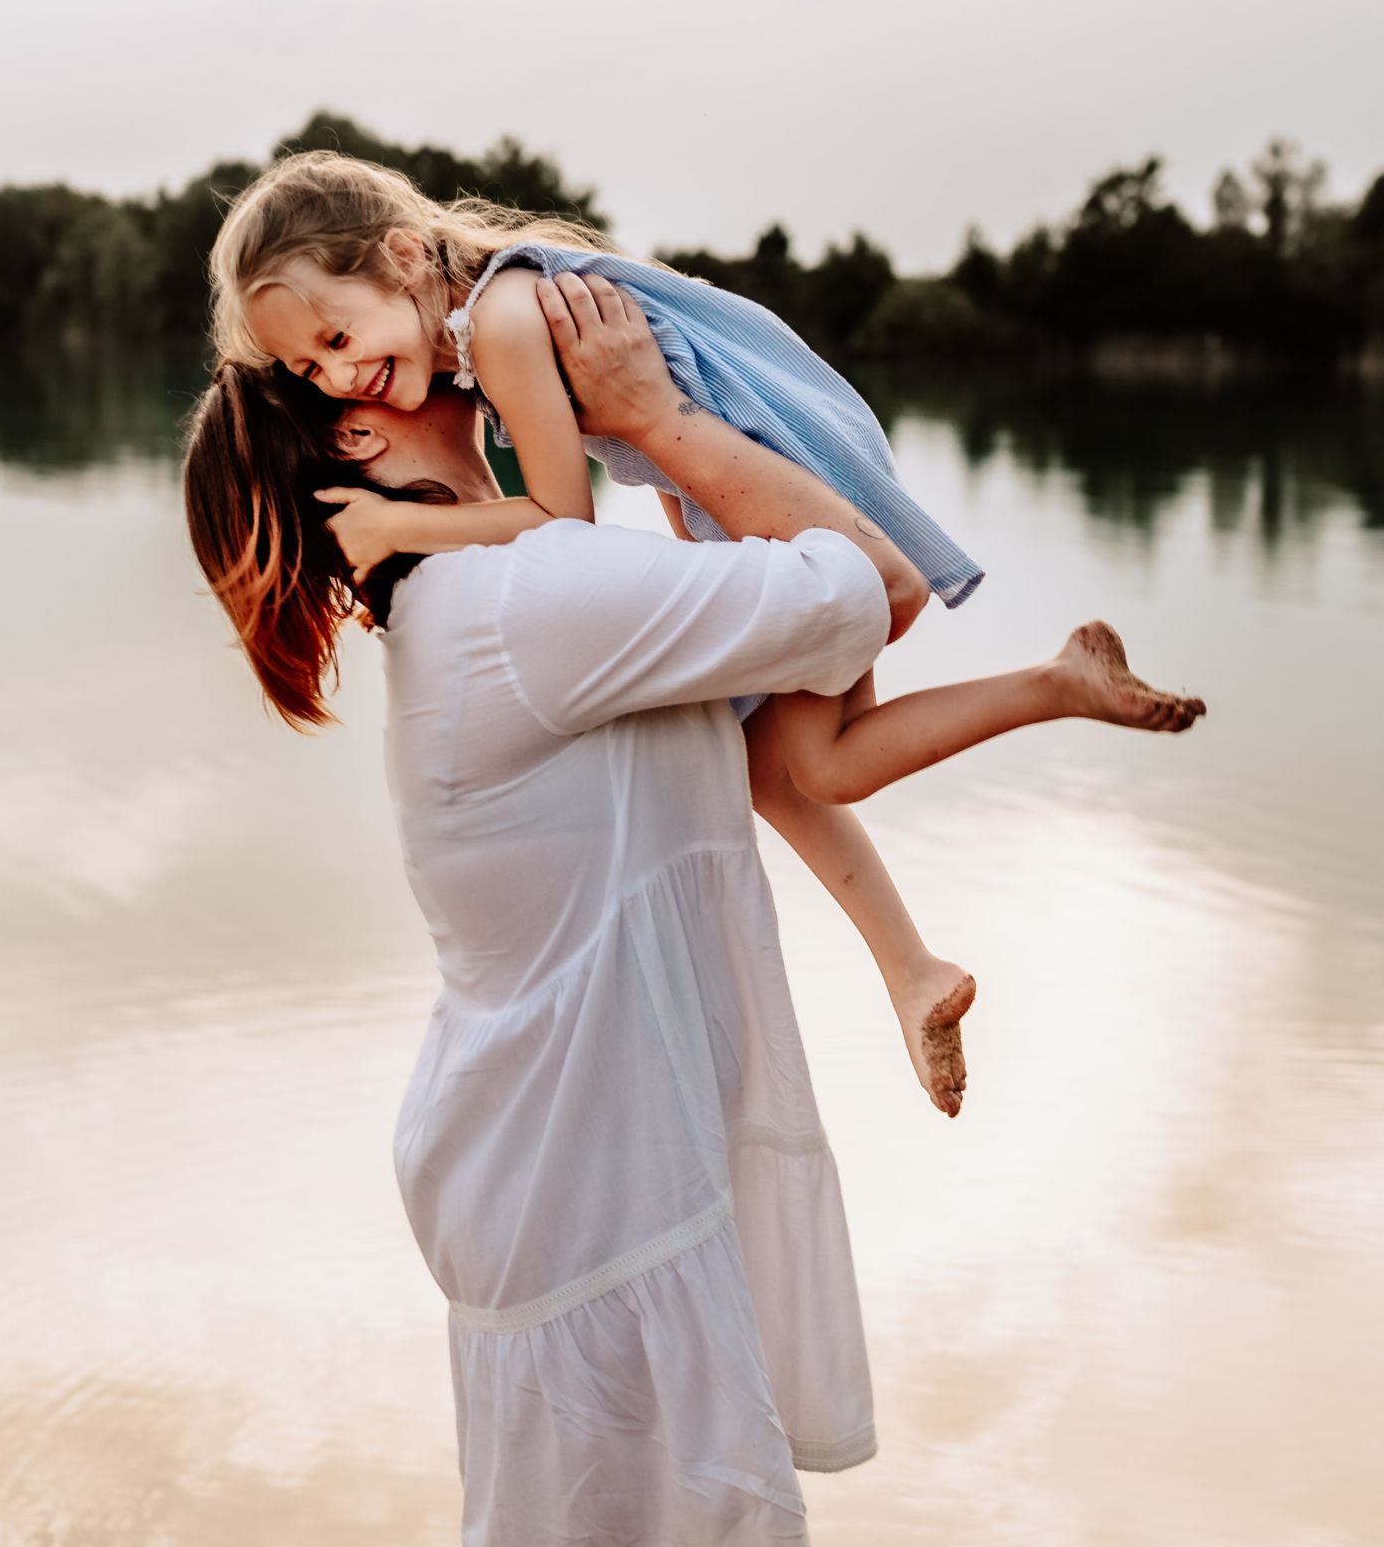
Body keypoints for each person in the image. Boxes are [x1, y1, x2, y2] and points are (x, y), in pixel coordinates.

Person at [181, 275, 1210, 1543]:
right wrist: (660, 419)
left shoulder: (473, 598)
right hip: (580, 1191)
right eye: (334, 363)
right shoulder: (523, 600)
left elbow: (776, 751)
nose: (394, 353)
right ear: (354, 437)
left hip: (562, 1164)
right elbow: (861, 583)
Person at [206, 151, 1204, 1111]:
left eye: (335, 341)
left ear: (405, 258)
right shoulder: (466, 339)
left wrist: (398, 521)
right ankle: (923, 948)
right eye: (307, 366)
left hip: (768, 443)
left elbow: (560, 519)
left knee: (813, 764)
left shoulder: (503, 322)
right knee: (785, 764)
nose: (337, 378)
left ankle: (1024, 748)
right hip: (724, 456)